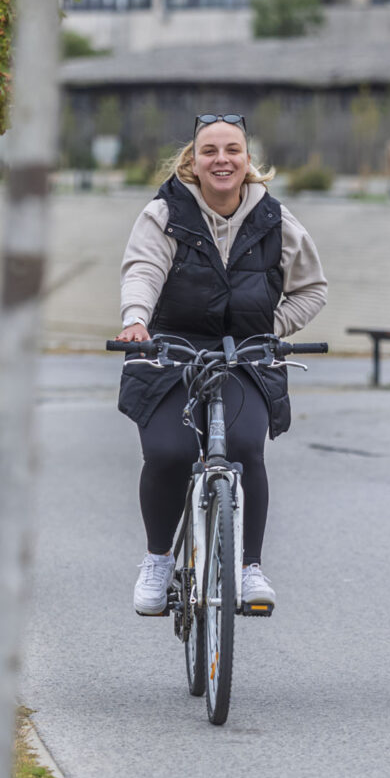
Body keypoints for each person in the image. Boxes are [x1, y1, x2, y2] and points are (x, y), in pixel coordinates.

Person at [114, 113, 328, 615]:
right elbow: (144, 269)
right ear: (193, 160)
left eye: (232, 149)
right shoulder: (164, 212)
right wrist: (137, 320)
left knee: (247, 449)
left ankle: (249, 566)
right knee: (167, 454)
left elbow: (312, 289)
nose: (222, 159)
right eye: (210, 151)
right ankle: (158, 560)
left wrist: (269, 331)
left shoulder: (276, 219)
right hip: (172, 348)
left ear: (248, 160)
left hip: (246, 353)